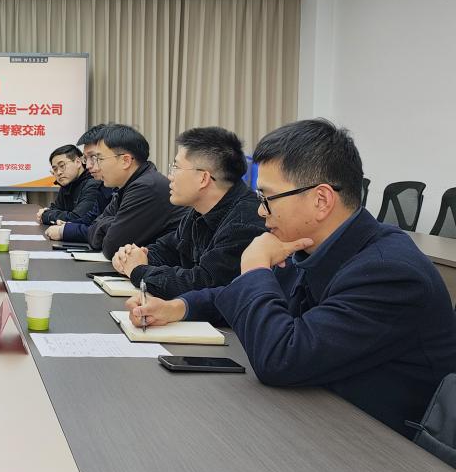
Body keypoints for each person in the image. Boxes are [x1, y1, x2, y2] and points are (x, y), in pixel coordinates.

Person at [126, 119, 456, 437]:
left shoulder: (389, 274)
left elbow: (281, 358)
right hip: (317, 412)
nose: (260, 211)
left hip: (384, 446)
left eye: (267, 198)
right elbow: (234, 294)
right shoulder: (313, 244)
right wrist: (179, 307)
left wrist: (255, 267)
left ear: (321, 200)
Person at [111, 127, 265, 297]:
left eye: (176, 167)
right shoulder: (198, 211)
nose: (170, 176)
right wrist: (134, 256)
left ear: (203, 178)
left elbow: (202, 284)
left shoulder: (244, 222)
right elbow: (169, 250)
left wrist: (138, 270)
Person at [45, 123, 183, 258]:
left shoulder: (146, 187)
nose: (94, 166)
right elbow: (95, 224)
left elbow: (111, 246)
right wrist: (112, 223)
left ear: (125, 161)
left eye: (99, 159)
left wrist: (110, 224)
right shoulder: (125, 186)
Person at [36, 144, 102, 226]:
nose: (58, 172)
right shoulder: (67, 184)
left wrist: (47, 215)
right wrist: (47, 212)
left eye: (62, 166)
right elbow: (56, 208)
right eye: (55, 169)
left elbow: (78, 218)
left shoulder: (93, 183)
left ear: (78, 162)